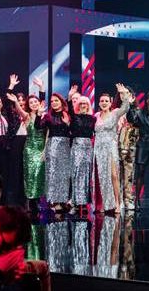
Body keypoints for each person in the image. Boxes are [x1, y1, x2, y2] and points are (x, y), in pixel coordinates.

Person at [94, 84, 132, 214]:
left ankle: (117, 202)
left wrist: (124, 94)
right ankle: (105, 204)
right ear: (99, 103)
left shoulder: (115, 113)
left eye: (106, 101)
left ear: (110, 103)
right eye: (102, 101)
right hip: (99, 149)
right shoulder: (96, 116)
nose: (104, 103)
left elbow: (125, 108)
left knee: (114, 175)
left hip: (110, 147)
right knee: (102, 177)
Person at [7, 88, 46, 212]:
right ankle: (30, 200)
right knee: (30, 175)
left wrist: (41, 88)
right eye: (31, 102)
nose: (34, 104)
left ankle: (37, 198)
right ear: (28, 105)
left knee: (39, 174)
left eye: (35, 102)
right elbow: (19, 109)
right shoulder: (27, 116)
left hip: (41, 148)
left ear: (39, 103)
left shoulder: (45, 116)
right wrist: (15, 101)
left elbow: (47, 134)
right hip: (29, 148)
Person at [36, 93, 72, 213]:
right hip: (53, 146)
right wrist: (39, 114)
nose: (54, 103)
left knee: (64, 174)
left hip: (65, 146)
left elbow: (73, 131)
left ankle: (63, 200)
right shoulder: (48, 116)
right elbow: (38, 127)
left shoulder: (67, 114)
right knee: (53, 173)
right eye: (52, 101)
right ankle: (55, 201)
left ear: (61, 101)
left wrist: (68, 123)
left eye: (56, 100)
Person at [67, 86, 96, 214]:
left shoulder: (93, 119)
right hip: (77, 146)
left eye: (85, 103)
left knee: (86, 175)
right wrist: (70, 97)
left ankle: (83, 203)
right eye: (81, 103)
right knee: (76, 173)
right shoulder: (74, 117)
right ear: (78, 105)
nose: (83, 105)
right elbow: (69, 108)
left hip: (88, 147)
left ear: (88, 105)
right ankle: (75, 202)